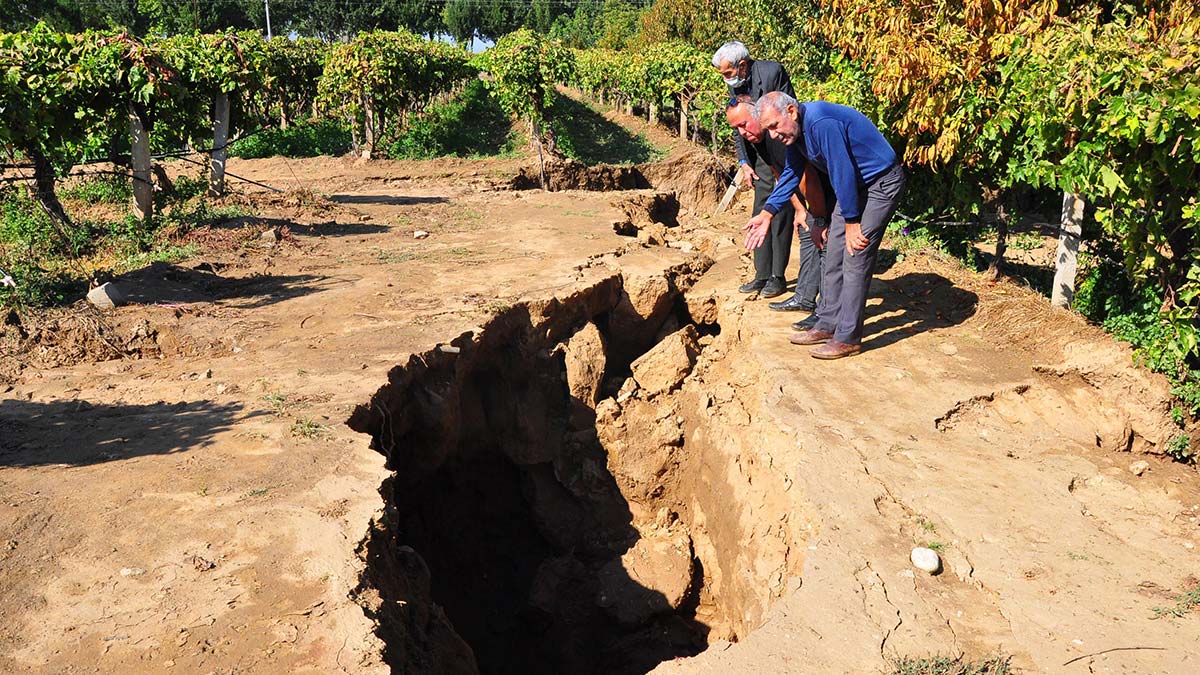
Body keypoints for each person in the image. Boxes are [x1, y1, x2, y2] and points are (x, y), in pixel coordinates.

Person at [745, 92, 906, 360]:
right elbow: (791, 174)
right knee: (833, 252)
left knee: (856, 254)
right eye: (768, 130)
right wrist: (768, 212)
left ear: (792, 112)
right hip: (855, 186)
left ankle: (848, 338)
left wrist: (853, 221)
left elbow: (841, 170)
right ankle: (827, 323)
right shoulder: (797, 136)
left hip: (880, 183)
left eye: (774, 126)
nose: (772, 135)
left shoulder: (821, 123)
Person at [724, 95, 827, 304]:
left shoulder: (778, 135)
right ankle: (805, 298)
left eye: (744, 124)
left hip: (821, 191)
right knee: (808, 234)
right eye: (737, 129)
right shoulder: (759, 141)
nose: (743, 132)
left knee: (817, 237)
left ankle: (821, 307)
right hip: (797, 188)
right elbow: (780, 175)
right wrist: (799, 208)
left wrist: (818, 217)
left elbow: (808, 176)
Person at [712, 41, 794, 293]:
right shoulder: (736, 86)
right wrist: (744, 161)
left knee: (780, 210)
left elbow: (788, 111)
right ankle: (761, 274)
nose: (726, 79)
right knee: (760, 209)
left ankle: (777, 276)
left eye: (728, 73)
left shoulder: (772, 73)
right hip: (758, 154)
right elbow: (738, 124)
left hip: (780, 148)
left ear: (742, 65)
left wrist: (785, 163)